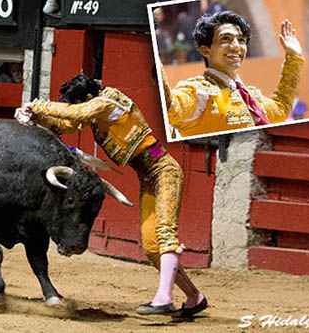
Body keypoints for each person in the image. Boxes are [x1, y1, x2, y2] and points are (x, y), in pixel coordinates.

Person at [17, 74, 208, 317]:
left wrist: (38, 104)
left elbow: (79, 114)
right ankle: (194, 297)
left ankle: (164, 298)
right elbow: (67, 124)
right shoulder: (96, 108)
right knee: (151, 246)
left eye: (78, 103)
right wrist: (37, 117)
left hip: (165, 171)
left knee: (164, 234)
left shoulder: (109, 101)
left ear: (87, 97)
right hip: (148, 177)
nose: (77, 107)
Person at [163, 10, 304, 138]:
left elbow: (280, 109)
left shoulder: (252, 96)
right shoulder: (198, 93)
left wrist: (293, 57)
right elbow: (170, 107)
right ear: (206, 50)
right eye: (226, 39)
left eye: (241, 40)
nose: (237, 46)